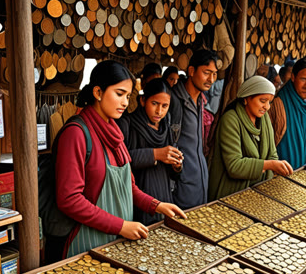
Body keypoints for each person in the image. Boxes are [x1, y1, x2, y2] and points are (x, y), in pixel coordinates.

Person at [54, 61, 185, 259]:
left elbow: (127, 187)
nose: (125, 102)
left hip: (115, 241)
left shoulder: (115, 132)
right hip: (86, 243)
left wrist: (156, 205)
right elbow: (69, 199)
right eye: (119, 94)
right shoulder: (76, 134)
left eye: (128, 96)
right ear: (98, 92)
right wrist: (121, 226)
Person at [208, 76, 293, 200]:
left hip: (257, 192)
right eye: (262, 101)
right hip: (230, 193)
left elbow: (272, 153)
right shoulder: (230, 120)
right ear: (247, 99)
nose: (267, 107)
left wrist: (275, 165)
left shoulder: (264, 119)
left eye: (269, 102)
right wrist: (270, 165)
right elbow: (234, 166)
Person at [118, 78, 183, 225]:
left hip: (164, 197)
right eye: (154, 104)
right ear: (142, 101)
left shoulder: (167, 127)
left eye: (165, 106)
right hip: (137, 202)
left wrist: (176, 166)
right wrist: (156, 154)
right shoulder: (127, 124)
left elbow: (174, 174)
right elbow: (120, 162)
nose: (159, 111)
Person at [170, 49, 218, 209]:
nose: (211, 79)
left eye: (214, 74)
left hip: (200, 184)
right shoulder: (175, 101)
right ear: (191, 71)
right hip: (181, 188)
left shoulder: (200, 102)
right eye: (206, 72)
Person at [268, 57, 306, 170]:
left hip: (305, 170)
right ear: (293, 77)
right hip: (280, 173)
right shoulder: (278, 103)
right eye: (303, 79)